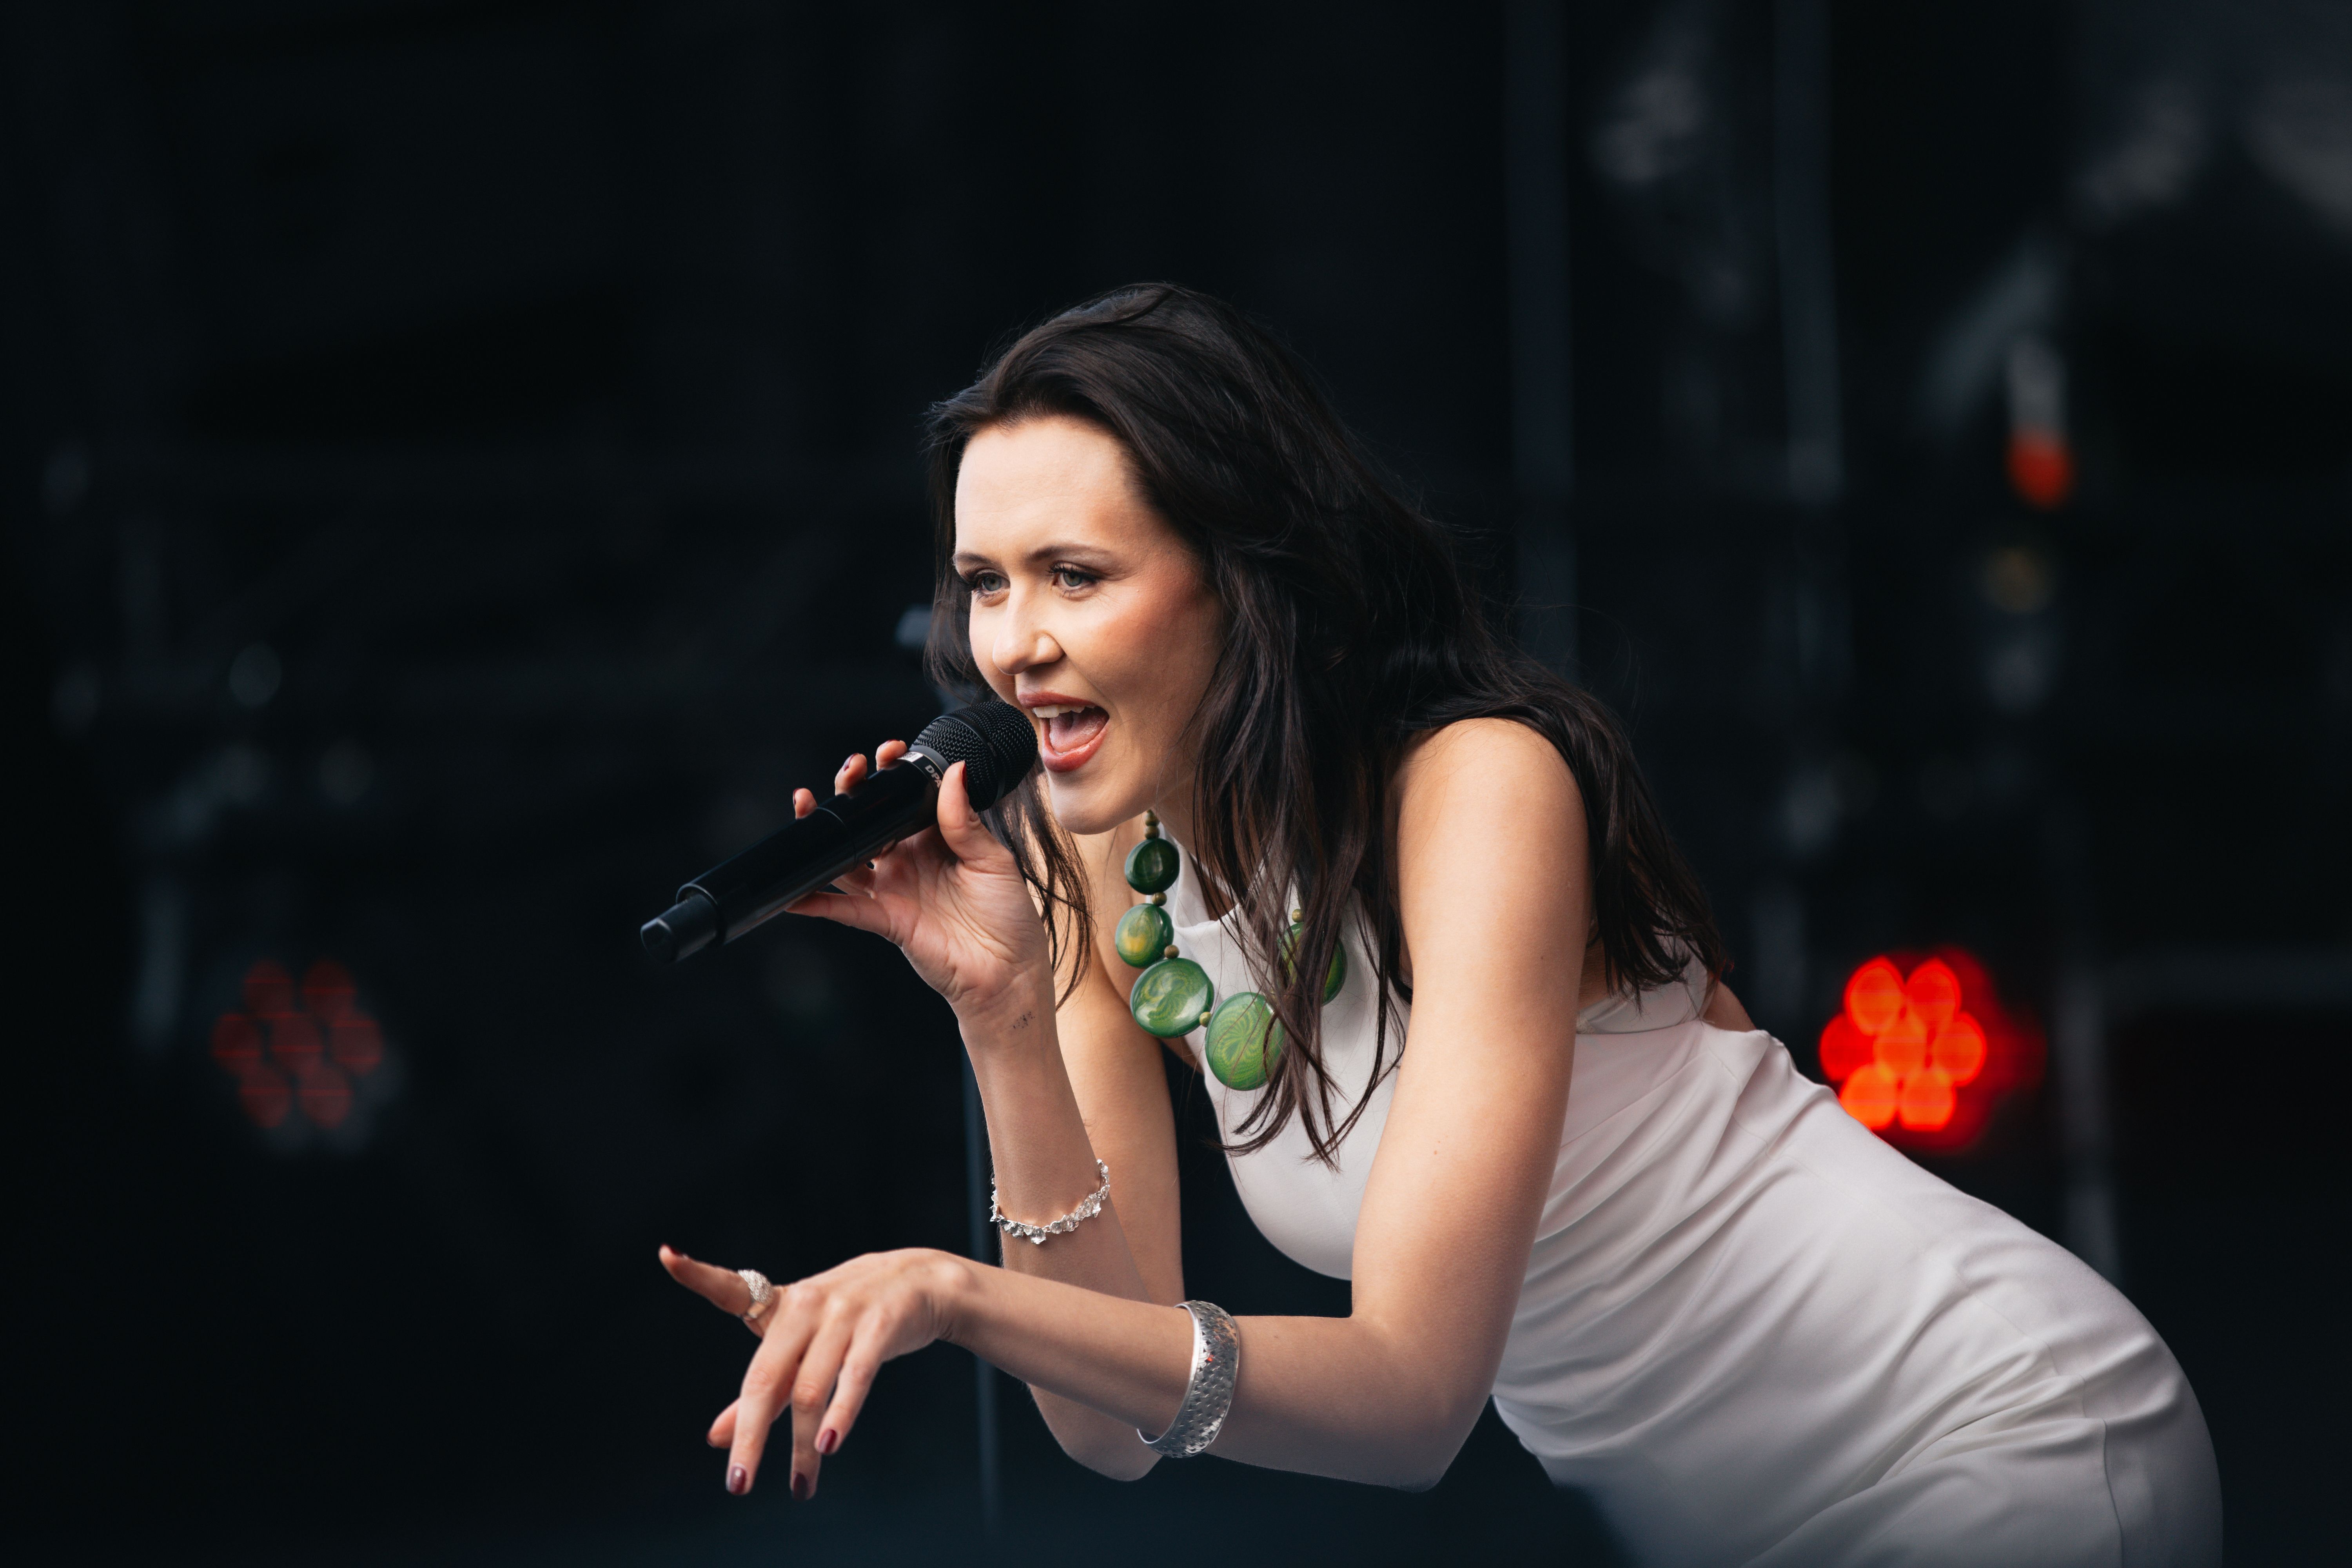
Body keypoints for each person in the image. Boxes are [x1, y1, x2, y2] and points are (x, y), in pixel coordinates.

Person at [657, 285, 2220, 1565]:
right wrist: (1001, 1007)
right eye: (987, 584)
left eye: (1076, 574)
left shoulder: (1476, 786)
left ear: (1243, 578)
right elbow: (1111, 1425)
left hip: (1989, 1434)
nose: (1014, 645)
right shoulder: (1093, 868)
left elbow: (1410, 1402)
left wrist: (948, 1291)